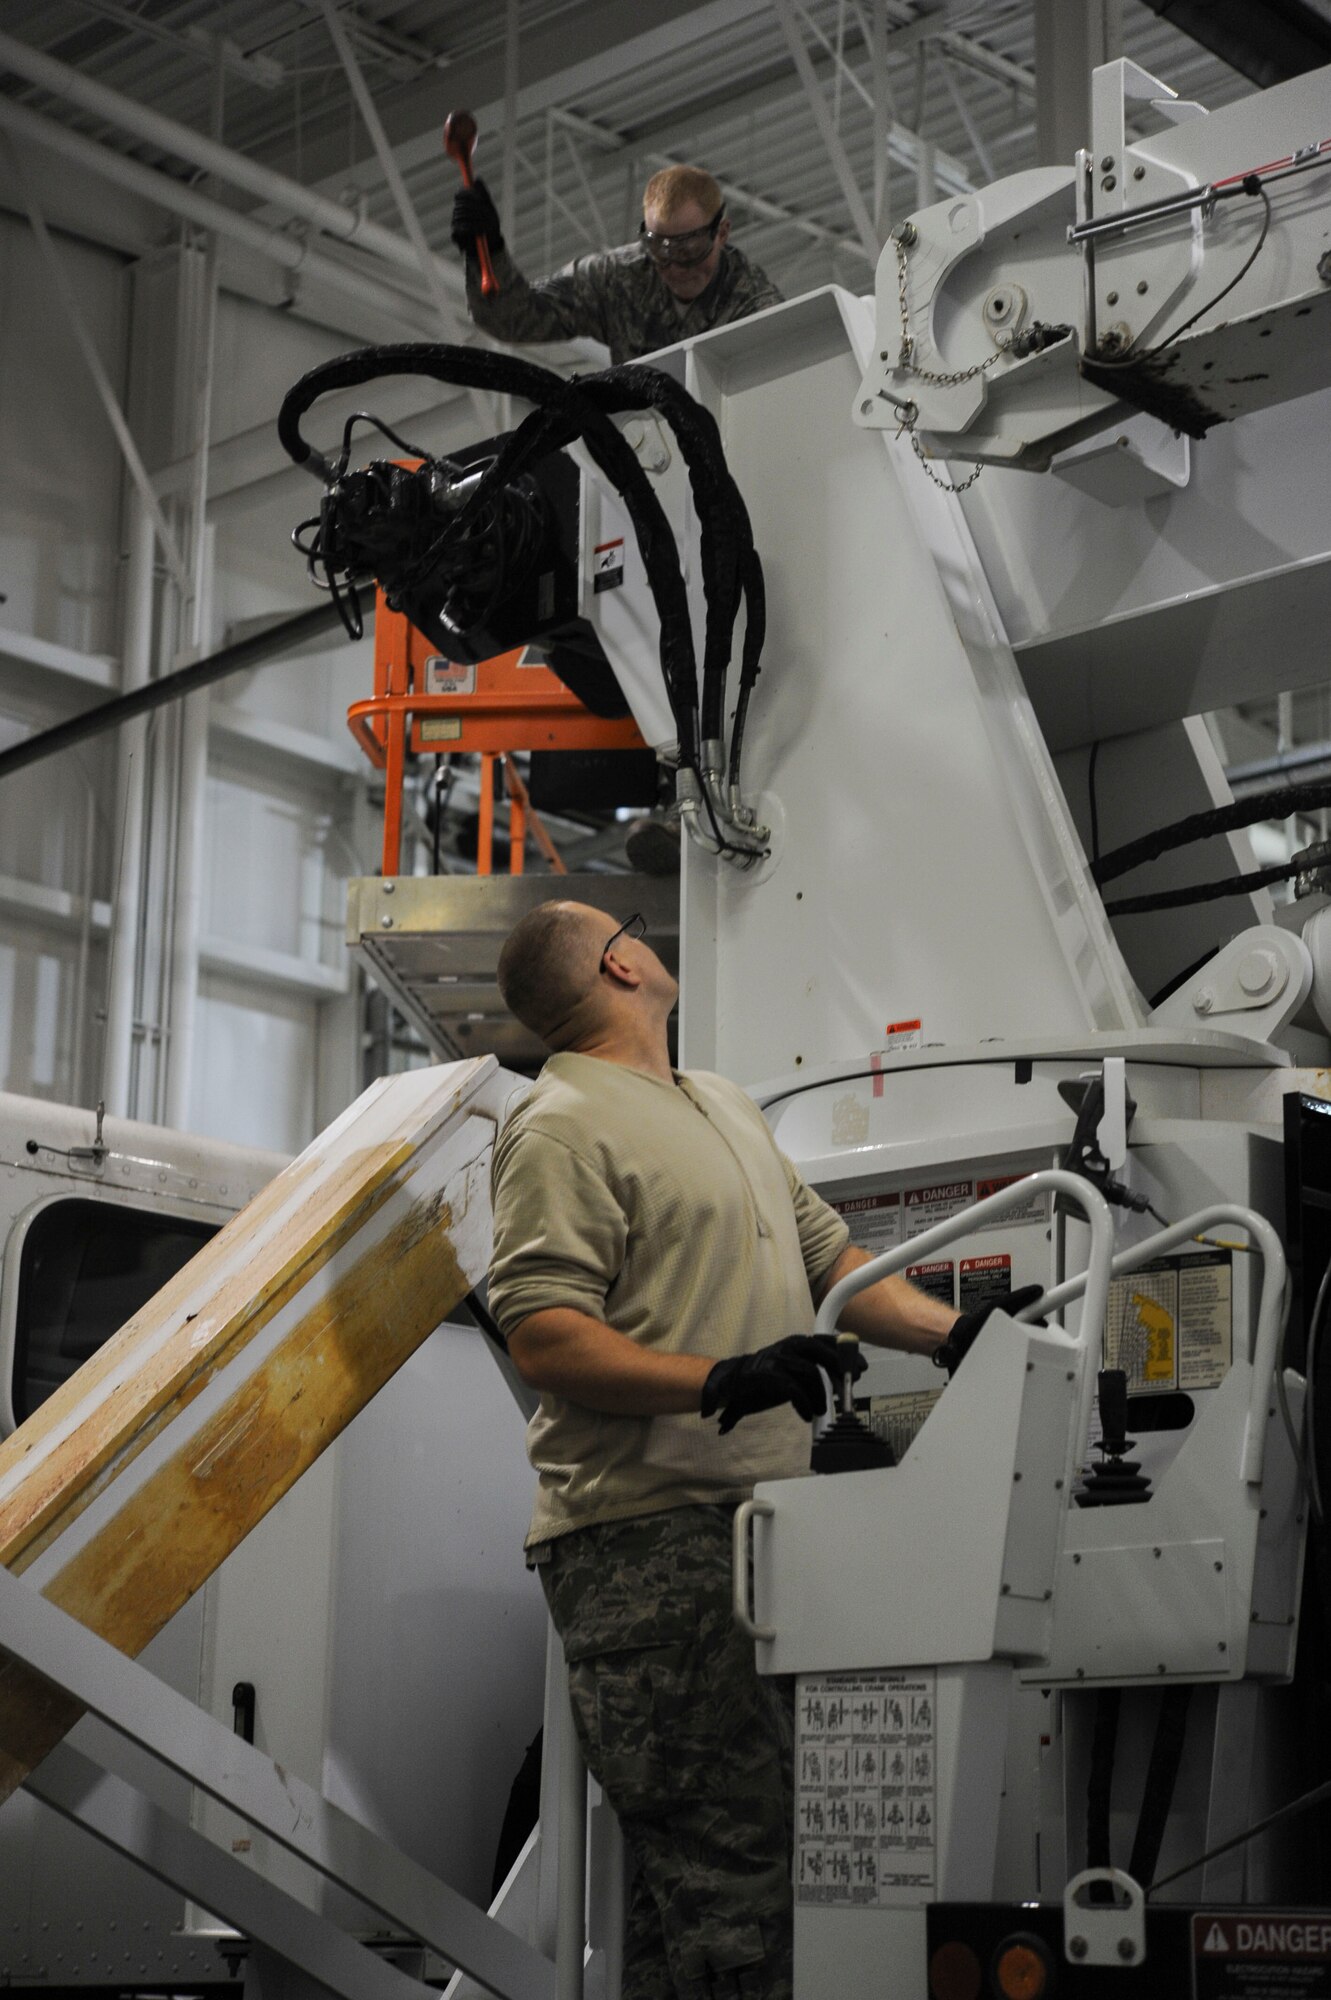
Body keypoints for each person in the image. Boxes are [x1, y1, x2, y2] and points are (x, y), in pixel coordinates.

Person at [486, 901, 1034, 2000]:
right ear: (620, 960)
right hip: (646, 1546)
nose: (649, 938)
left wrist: (957, 1332)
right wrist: (718, 1377)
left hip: (762, 1533)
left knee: (698, 1898)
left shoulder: (720, 1102)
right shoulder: (560, 1123)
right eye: (634, 925)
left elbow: (830, 1254)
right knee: (739, 1883)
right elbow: (543, 1330)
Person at [452, 164, 785, 366]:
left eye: (689, 248)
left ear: (722, 233)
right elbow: (514, 319)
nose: (673, 267)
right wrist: (488, 251)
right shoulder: (619, 278)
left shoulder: (756, 309)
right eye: (659, 247)